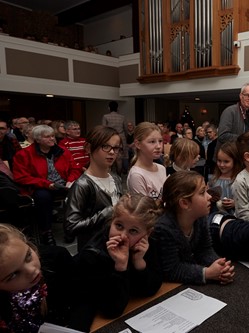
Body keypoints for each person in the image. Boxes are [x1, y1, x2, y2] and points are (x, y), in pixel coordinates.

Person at [71, 194, 163, 332]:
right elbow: (111, 310)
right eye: (119, 226)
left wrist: (139, 263)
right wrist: (120, 267)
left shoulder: (143, 245)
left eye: (133, 231)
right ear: (112, 220)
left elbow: (150, 289)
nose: (123, 236)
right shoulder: (93, 255)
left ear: (147, 233)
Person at [152, 171, 235, 285]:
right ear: (185, 203)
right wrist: (207, 273)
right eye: (202, 193)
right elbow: (171, 270)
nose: (209, 196)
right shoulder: (163, 229)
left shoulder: (199, 217)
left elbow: (204, 249)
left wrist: (219, 265)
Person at [13, 125, 81, 245]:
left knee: (79, 191)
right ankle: (47, 232)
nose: (52, 139)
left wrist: (71, 180)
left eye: (53, 136)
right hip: (40, 186)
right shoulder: (24, 154)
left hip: (63, 184)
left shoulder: (62, 151)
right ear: (37, 140)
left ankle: (70, 227)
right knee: (43, 197)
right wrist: (47, 184)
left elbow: (75, 168)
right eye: (47, 137)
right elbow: (22, 177)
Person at [0, 224, 75, 332]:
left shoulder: (57, 258)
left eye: (28, 256)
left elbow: (84, 298)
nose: (32, 271)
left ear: (27, 243)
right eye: (13, 275)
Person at [65, 126, 124, 251]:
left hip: (115, 244)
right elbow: (71, 226)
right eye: (105, 146)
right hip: (94, 250)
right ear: (88, 148)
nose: (112, 152)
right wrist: (107, 212)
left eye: (116, 148)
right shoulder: (83, 185)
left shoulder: (115, 178)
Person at [214, 83, 249, 160]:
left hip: (241, 157)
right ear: (241, 96)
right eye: (247, 95)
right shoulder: (230, 111)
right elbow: (222, 136)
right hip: (227, 159)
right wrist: (244, 138)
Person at [127, 122, 166, 201]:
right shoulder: (137, 175)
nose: (158, 146)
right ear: (138, 144)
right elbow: (143, 210)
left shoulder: (161, 168)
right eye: (152, 142)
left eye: (160, 141)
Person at [208, 142, 243, 216]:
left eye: (226, 162)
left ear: (235, 161)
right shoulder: (213, 179)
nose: (221, 165)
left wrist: (235, 203)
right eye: (219, 161)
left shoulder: (240, 180)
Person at [102, 101, 128, 174]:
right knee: (119, 158)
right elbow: (125, 129)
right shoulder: (122, 117)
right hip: (121, 138)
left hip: (110, 137)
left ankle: (109, 174)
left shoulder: (106, 116)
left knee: (108, 156)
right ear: (118, 108)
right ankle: (119, 175)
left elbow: (104, 129)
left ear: (109, 108)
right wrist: (124, 138)